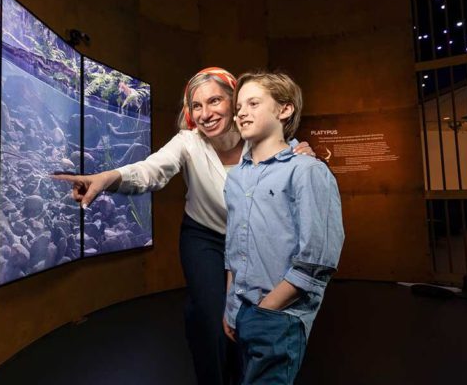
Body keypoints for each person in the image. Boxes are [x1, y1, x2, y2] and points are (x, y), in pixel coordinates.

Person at [53, 67, 313, 385]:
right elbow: (151, 170)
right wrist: (106, 178)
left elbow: (290, 159)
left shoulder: (258, 136)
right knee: (212, 315)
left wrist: (302, 156)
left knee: (247, 316)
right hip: (202, 236)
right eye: (197, 106)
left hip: (251, 241)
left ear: (235, 101)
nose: (205, 113)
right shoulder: (189, 142)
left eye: (215, 101)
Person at [223, 71, 344, 385]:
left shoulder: (308, 171)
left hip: (279, 315)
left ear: (284, 109)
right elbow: (234, 247)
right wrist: (231, 307)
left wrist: (269, 309)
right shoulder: (236, 178)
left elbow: (318, 257)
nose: (241, 112)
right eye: (238, 107)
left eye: (253, 103)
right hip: (242, 311)